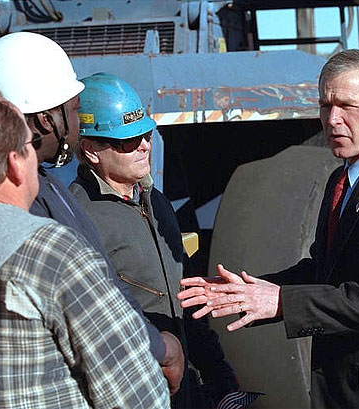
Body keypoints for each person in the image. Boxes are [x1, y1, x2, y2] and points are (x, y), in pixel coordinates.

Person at [177, 49, 359, 409]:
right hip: (343, 389)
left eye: (347, 106)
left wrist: (280, 302)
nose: (333, 119)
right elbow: (326, 270)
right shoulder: (342, 179)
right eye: (325, 105)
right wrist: (251, 290)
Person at [0, 32, 185, 393]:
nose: (77, 123)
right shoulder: (35, 207)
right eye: (75, 110)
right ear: (48, 119)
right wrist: (162, 349)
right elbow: (95, 309)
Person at [69, 73, 251, 409]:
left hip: (184, 393)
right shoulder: (78, 220)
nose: (143, 145)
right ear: (91, 150)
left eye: (145, 134)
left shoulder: (157, 203)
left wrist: (221, 382)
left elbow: (189, 301)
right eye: (126, 141)